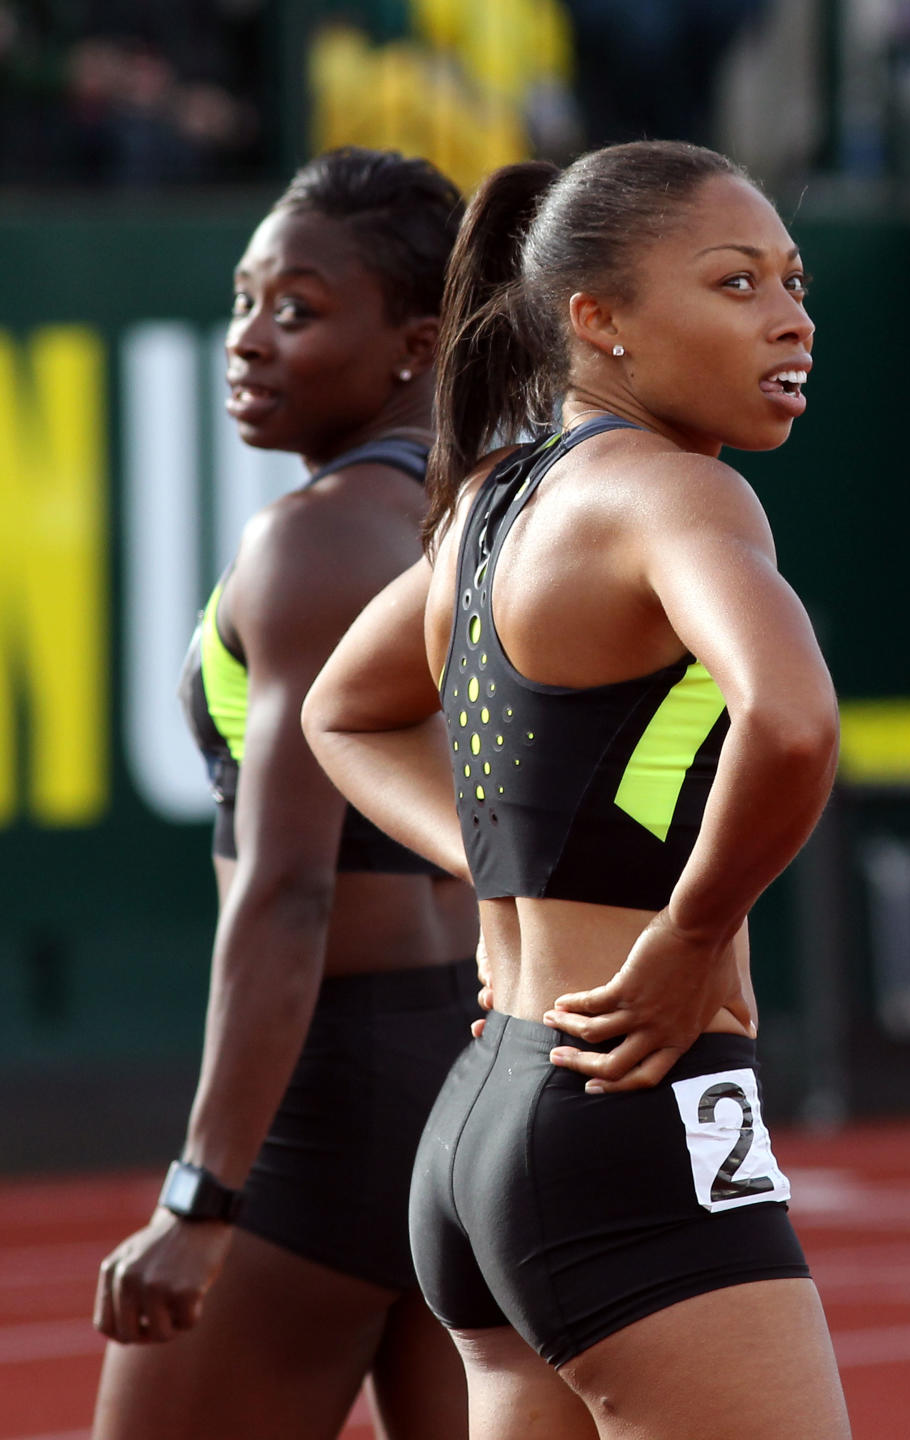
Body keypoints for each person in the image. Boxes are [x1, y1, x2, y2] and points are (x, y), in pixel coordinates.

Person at [301, 140, 853, 1439]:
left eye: (794, 278)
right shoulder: (675, 495)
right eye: (734, 283)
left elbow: (346, 710)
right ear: (594, 322)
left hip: (487, 1111)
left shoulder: (494, 501)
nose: (790, 315)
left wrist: (505, 870)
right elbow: (793, 719)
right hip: (634, 1112)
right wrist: (693, 936)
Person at [92, 147, 479, 1440]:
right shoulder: (504, 514)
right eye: (246, 300)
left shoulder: (314, 539)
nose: (248, 341)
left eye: (297, 310)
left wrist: (203, 1199)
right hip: (477, 1085)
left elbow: (290, 892)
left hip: (336, 1099)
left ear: (418, 343)